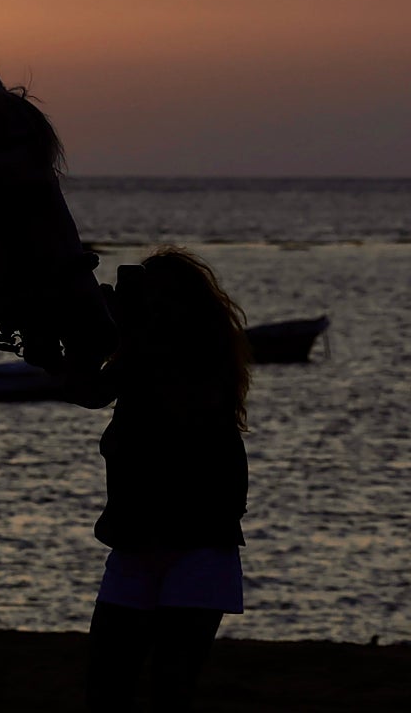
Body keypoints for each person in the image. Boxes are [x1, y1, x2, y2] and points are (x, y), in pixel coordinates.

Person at [74, 246, 251, 712]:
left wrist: (123, 335)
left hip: (198, 550)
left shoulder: (196, 362)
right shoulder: (141, 355)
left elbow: (170, 404)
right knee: (107, 689)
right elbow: (88, 390)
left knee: (168, 692)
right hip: (136, 546)